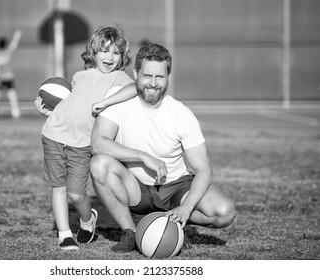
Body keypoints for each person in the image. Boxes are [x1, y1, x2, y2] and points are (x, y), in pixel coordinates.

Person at [90, 43, 236, 253]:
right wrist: (143, 156)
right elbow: (98, 143)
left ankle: (173, 221)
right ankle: (129, 232)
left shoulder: (181, 114)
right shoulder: (117, 99)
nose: (153, 83)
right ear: (136, 73)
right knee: (99, 164)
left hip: (176, 187)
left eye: (160, 77)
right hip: (136, 188)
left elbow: (205, 170)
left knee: (224, 212)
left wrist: (186, 208)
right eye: (147, 75)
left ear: (168, 77)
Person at [34, 26, 137, 250]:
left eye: (116, 53)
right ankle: (64, 235)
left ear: (122, 57)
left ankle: (87, 219)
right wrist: (50, 113)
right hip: (52, 134)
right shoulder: (79, 75)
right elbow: (72, 107)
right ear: (93, 52)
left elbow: (134, 89)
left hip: (81, 144)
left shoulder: (119, 77)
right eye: (104, 50)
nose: (109, 57)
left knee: (76, 194)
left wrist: (106, 102)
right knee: (58, 187)